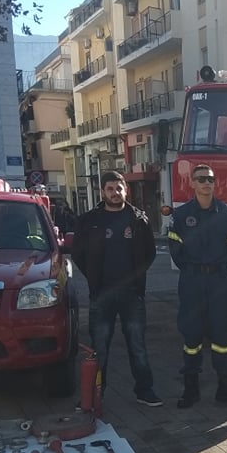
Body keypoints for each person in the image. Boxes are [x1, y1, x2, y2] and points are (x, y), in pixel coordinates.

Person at [71, 171, 161, 406]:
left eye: (118, 188)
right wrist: (94, 277)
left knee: (137, 345)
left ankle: (145, 391)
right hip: (102, 294)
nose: (115, 193)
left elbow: (149, 253)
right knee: (100, 348)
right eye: (110, 189)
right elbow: (78, 253)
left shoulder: (138, 219)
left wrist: (136, 278)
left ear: (125, 190)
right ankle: (94, 395)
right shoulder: (89, 221)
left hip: (132, 294)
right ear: (103, 192)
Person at [169, 164, 227, 408]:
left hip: (219, 281)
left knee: (222, 335)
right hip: (192, 280)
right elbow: (175, 248)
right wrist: (192, 269)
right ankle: (191, 389)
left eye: (210, 179)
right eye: (201, 179)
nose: (207, 183)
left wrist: (218, 267)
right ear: (192, 183)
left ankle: (226, 388)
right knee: (191, 335)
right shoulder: (181, 215)